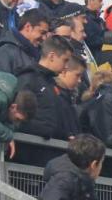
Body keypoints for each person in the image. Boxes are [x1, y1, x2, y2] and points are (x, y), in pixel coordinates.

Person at [15, 36, 76, 166]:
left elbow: (51, 117)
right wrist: (46, 130)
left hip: (47, 155)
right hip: (28, 158)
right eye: (65, 60)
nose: (66, 66)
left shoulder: (51, 83)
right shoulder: (28, 79)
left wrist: (64, 135)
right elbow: (18, 118)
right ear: (52, 56)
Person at [0, 9, 50, 81]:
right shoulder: (5, 53)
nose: (44, 38)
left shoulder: (39, 53)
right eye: (42, 32)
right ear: (28, 27)